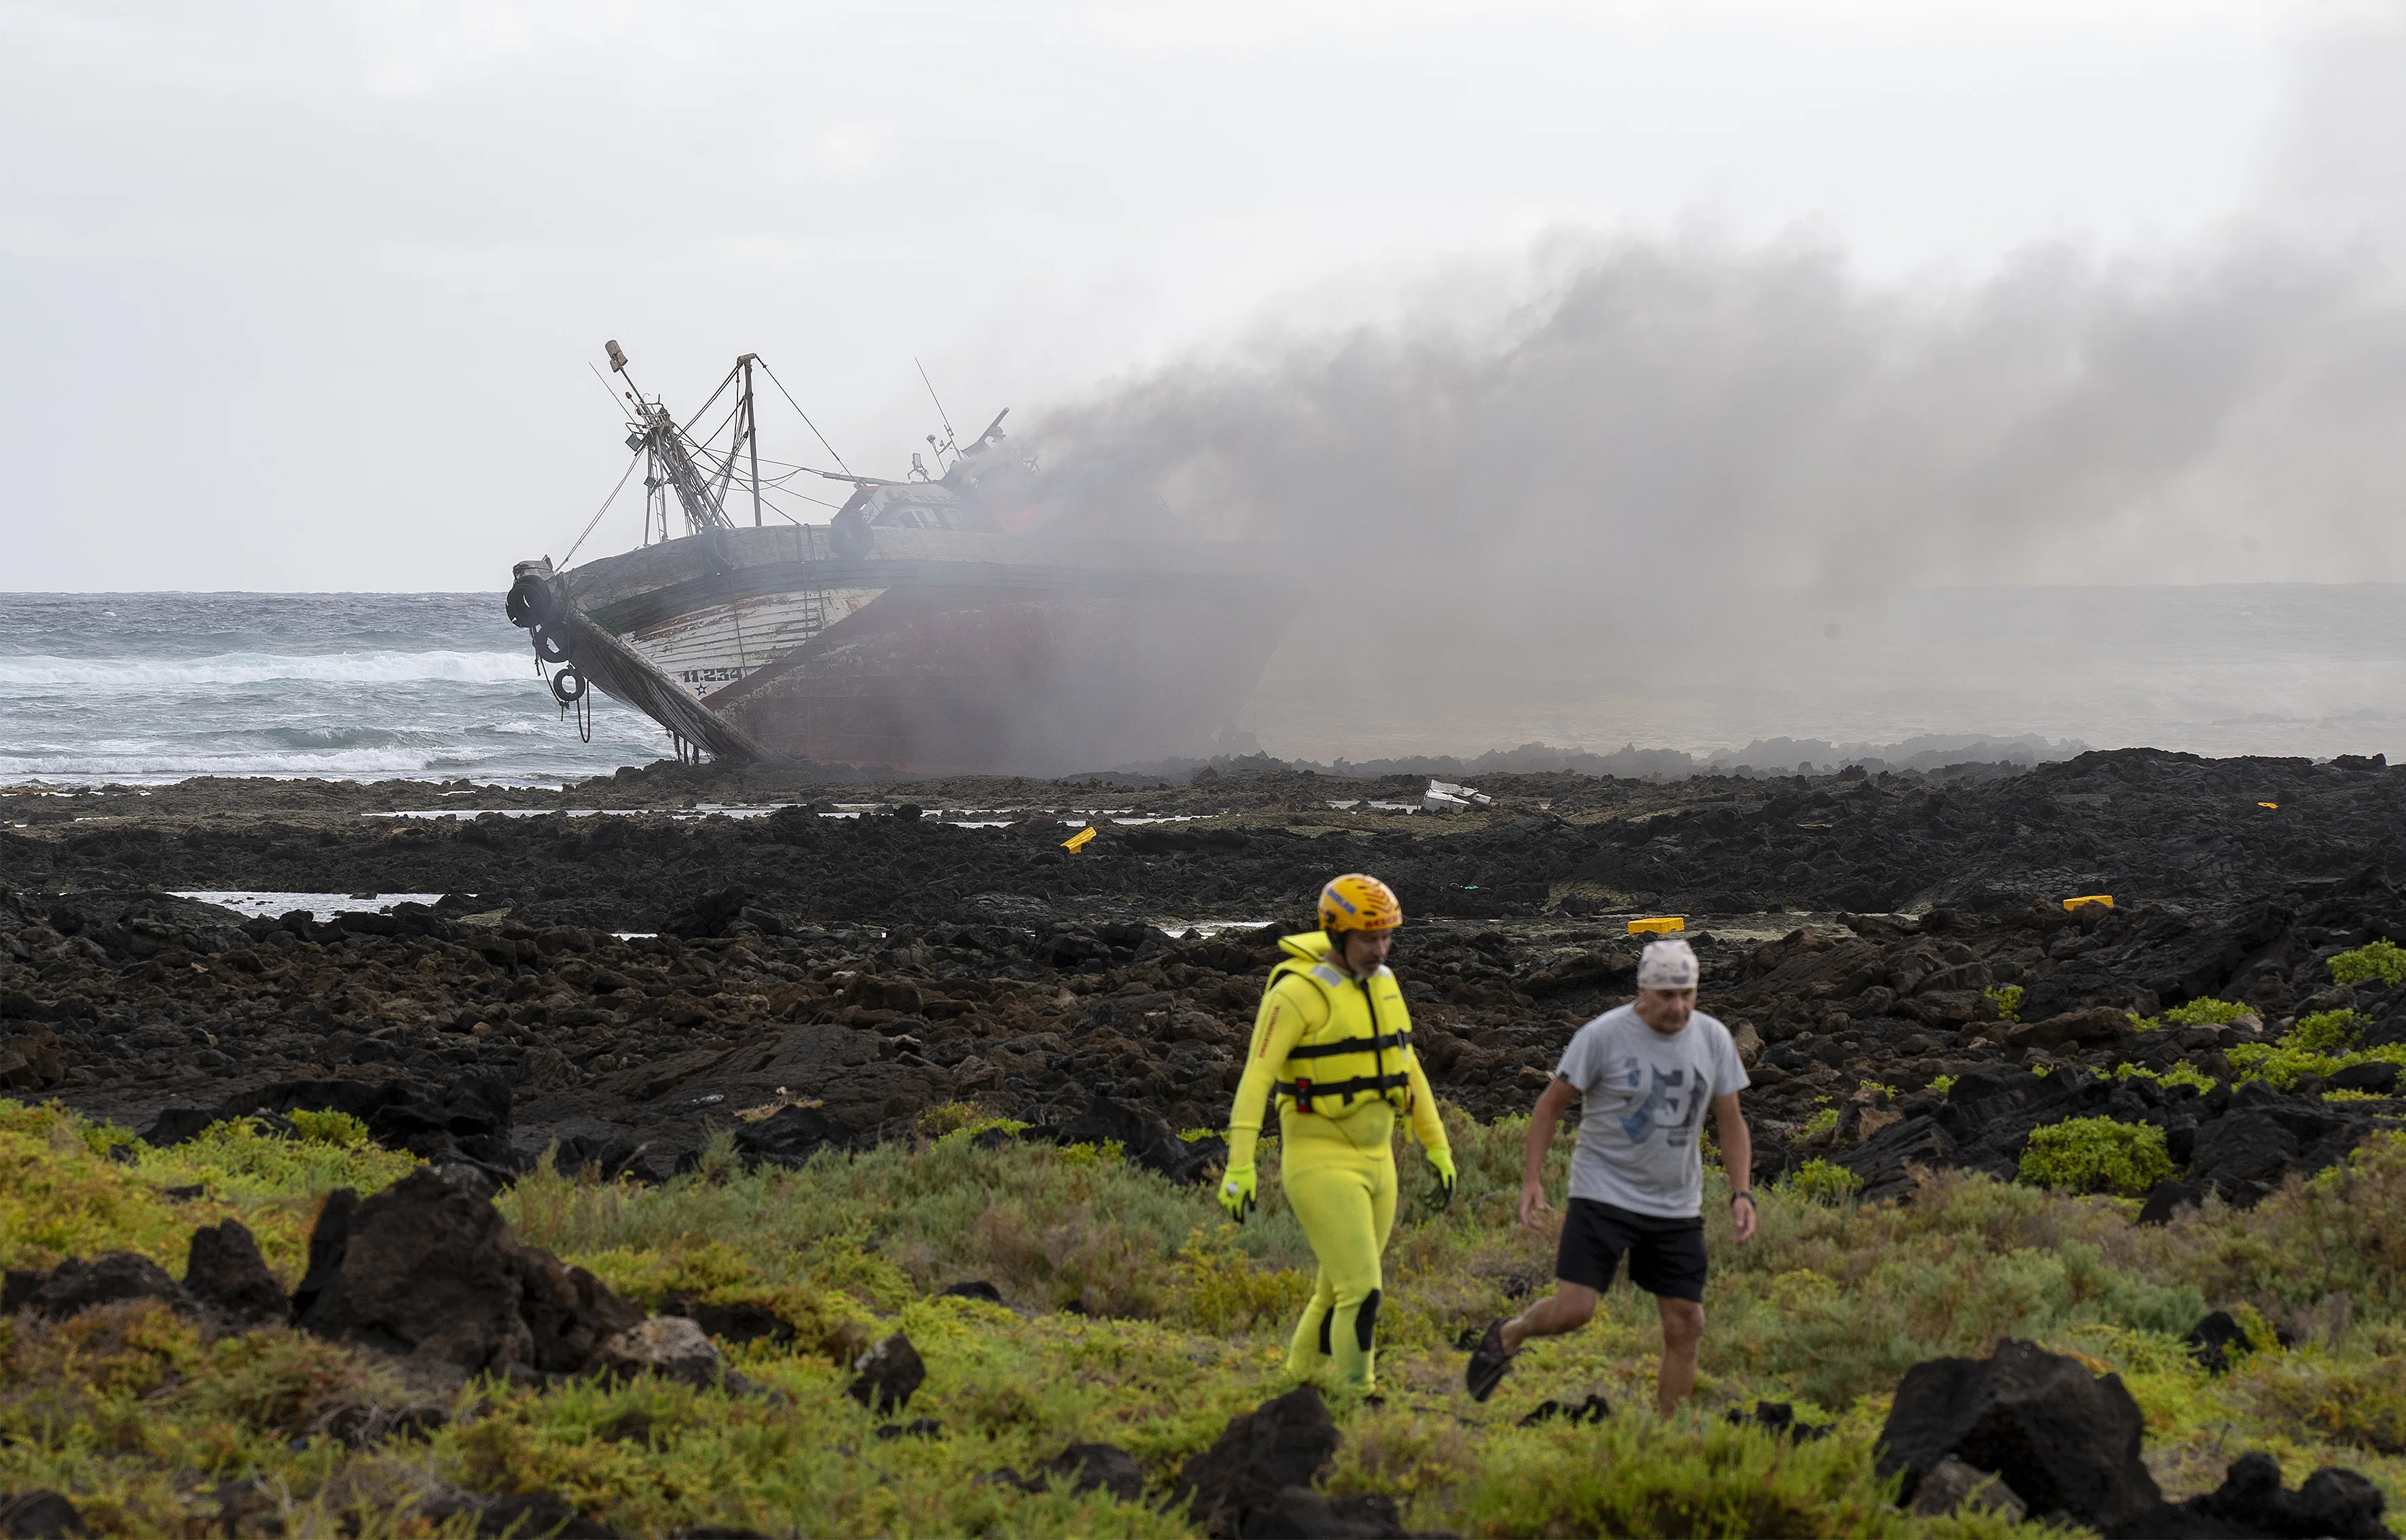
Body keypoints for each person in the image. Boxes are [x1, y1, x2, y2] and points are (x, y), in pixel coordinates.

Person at [1465, 936, 1755, 1411]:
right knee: (1575, 1311)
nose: (1679, 1007)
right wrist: (1531, 1180)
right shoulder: (1602, 1037)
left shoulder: (1713, 1039)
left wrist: (1742, 1193)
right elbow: (1548, 1107)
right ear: (1642, 990)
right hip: (1604, 1194)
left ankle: (1668, 1439)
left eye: (1688, 994)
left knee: (1686, 1323)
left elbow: (1731, 1120)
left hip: (1676, 1202)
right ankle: (1509, 1333)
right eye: (1667, 995)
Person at [1218, 873, 1457, 1392]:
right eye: (1369, 939)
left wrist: (1436, 1145)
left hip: (1379, 1162)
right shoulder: (1295, 995)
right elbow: (1255, 1080)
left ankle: (1297, 1380)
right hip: (1319, 1162)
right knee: (1363, 1291)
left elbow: (1406, 1066)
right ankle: (1358, 1395)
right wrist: (1239, 1165)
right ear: (1336, 934)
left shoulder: (1384, 984)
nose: (1380, 949)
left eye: (1387, 937)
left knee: (1335, 1289)